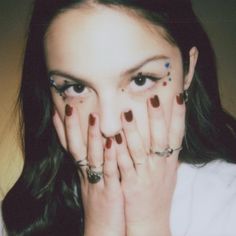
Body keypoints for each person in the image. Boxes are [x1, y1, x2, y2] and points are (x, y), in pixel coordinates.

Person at [1, 0, 236, 235]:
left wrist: (148, 225)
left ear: (188, 70)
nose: (109, 126)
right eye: (76, 87)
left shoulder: (228, 202)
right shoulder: (18, 219)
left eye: (141, 80)